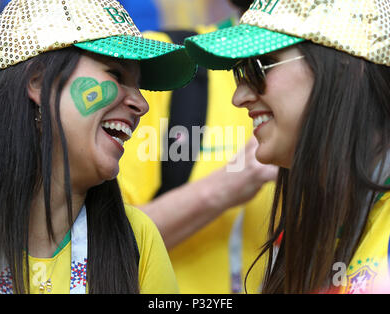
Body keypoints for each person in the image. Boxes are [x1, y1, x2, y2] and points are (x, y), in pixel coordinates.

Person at [185, 0, 390, 293]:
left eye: (258, 66)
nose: (239, 96)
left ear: (346, 65)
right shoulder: (303, 228)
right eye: (239, 72)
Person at [0, 0, 196, 294]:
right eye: (116, 74)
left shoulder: (138, 238)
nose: (142, 104)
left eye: (138, 85)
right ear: (38, 83)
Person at [118, 0, 278, 294]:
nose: (243, 95)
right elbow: (99, 243)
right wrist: (234, 181)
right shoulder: (167, 63)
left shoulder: (338, 77)